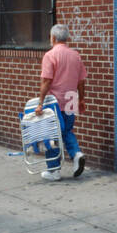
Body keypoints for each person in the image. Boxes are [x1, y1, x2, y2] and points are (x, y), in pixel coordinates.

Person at [35, 24, 87, 180]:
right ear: (67, 38)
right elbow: (81, 81)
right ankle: (76, 154)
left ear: (53, 38)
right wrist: (82, 99)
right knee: (67, 130)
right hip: (71, 98)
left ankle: (54, 170)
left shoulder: (50, 56)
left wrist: (40, 102)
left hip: (54, 102)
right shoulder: (75, 55)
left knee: (51, 134)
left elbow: (46, 81)